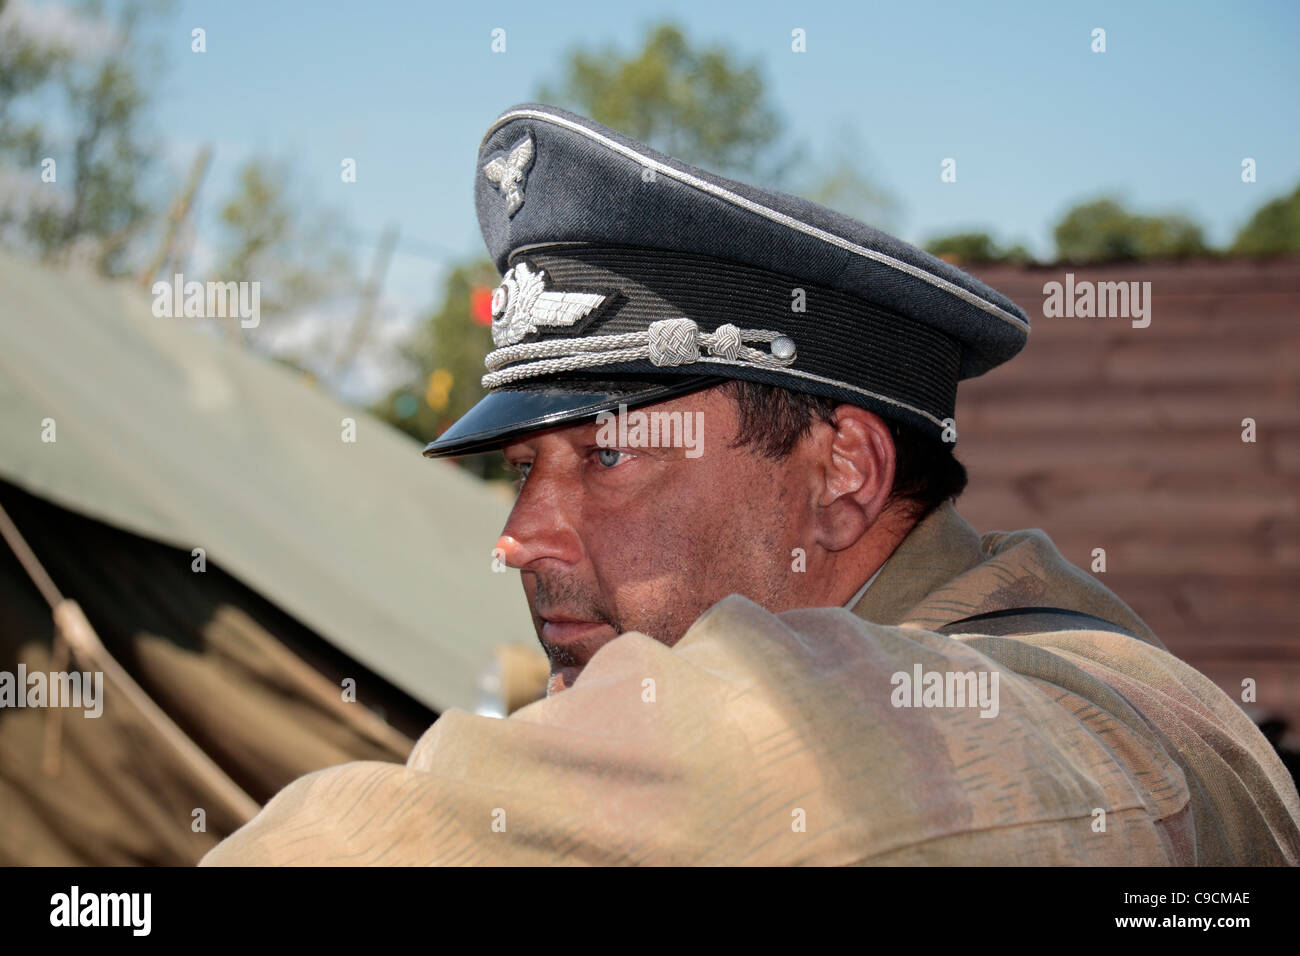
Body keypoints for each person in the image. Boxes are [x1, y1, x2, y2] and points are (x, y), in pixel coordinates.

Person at [200, 104, 1300, 865]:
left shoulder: (1088, 714)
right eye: (526, 466)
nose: (521, 537)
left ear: (841, 473)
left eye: (612, 454)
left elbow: (777, 752)